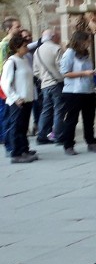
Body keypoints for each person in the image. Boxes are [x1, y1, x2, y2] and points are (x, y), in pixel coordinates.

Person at [60, 30, 96, 155]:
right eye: (87, 40)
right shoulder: (69, 53)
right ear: (80, 41)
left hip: (88, 90)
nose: (89, 43)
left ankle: (91, 142)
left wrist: (93, 72)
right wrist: (84, 73)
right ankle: (68, 145)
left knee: (89, 118)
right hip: (73, 92)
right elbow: (65, 73)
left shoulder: (85, 53)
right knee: (72, 119)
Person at [1, 34, 38, 163]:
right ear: (17, 48)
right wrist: (15, 97)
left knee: (23, 126)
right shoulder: (11, 62)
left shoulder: (24, 59)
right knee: (16, 127)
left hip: (27, 98)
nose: (26, 47)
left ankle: (24, 149)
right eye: (24, 46)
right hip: (18, 100)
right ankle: (16, 153)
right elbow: (5, 83)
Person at [33, 28, 66, 146]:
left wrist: (44, 77)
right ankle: (58, 135)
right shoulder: (56, 48)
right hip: (56, 83)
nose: (58, 37)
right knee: (59, 110)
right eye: (57, 35)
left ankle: (41, 136)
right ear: (52, 37)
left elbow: (35, 71)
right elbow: (62, 67)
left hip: (44, 84)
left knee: (46, 110)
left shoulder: (37, 51)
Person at [0, 17, 22, 154]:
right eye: (17, 27)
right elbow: (4, 66)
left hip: (16, 82)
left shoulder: (14, 43)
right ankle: (9, 145)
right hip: (7, 83)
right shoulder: (5, 45)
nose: (19, 29)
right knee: (8, 113)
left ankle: (17, 144)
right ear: (9, 29)